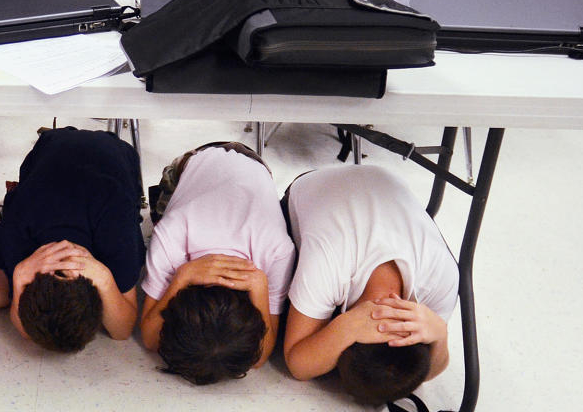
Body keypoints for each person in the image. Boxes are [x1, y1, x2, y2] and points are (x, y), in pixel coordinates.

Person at [281, 165, 459, 405]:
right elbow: (298, 363)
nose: (388, 316)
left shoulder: (441, 277)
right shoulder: (441, 276)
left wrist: (439, 334)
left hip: (383, 179)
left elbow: (299, 364)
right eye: (402, 326)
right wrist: (439, 333)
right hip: (314, 181)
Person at [0, 127, 145, 352]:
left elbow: (122, 331)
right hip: (56, 149)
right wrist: (19, 275)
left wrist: (103, 279)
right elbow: (25, 328)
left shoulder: (115, 231)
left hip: (109, 163)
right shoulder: (20, 228)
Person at [139, 142, 296, 384]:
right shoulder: (172, 235)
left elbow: (258, 357)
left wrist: (180, 278)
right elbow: (150, 339)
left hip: (229, 169)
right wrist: (181, 278)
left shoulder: (278, 250)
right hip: (209, 171)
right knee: (161, 212)